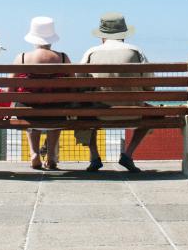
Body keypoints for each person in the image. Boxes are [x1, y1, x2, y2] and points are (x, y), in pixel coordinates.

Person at [79, 12, 151, 173]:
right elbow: (150, 87)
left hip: (99, 114)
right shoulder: (136, 52)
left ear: (102, 36)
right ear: (124, 34)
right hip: (134, 113)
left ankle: (94, 156)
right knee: (154, 114)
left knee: (84, 113)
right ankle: (128, 154)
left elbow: (80, 85)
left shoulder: (91, 52)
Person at [12, 16, 71, 170]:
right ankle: (51, 156)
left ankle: (34, 154)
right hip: (57, 112)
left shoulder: (22, 58)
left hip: (28, 112)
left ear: (33, 38)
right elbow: (73, 86)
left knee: (27, 106)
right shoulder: (63, 58)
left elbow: (10, 88)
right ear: (52, 39)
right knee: (58, 107)